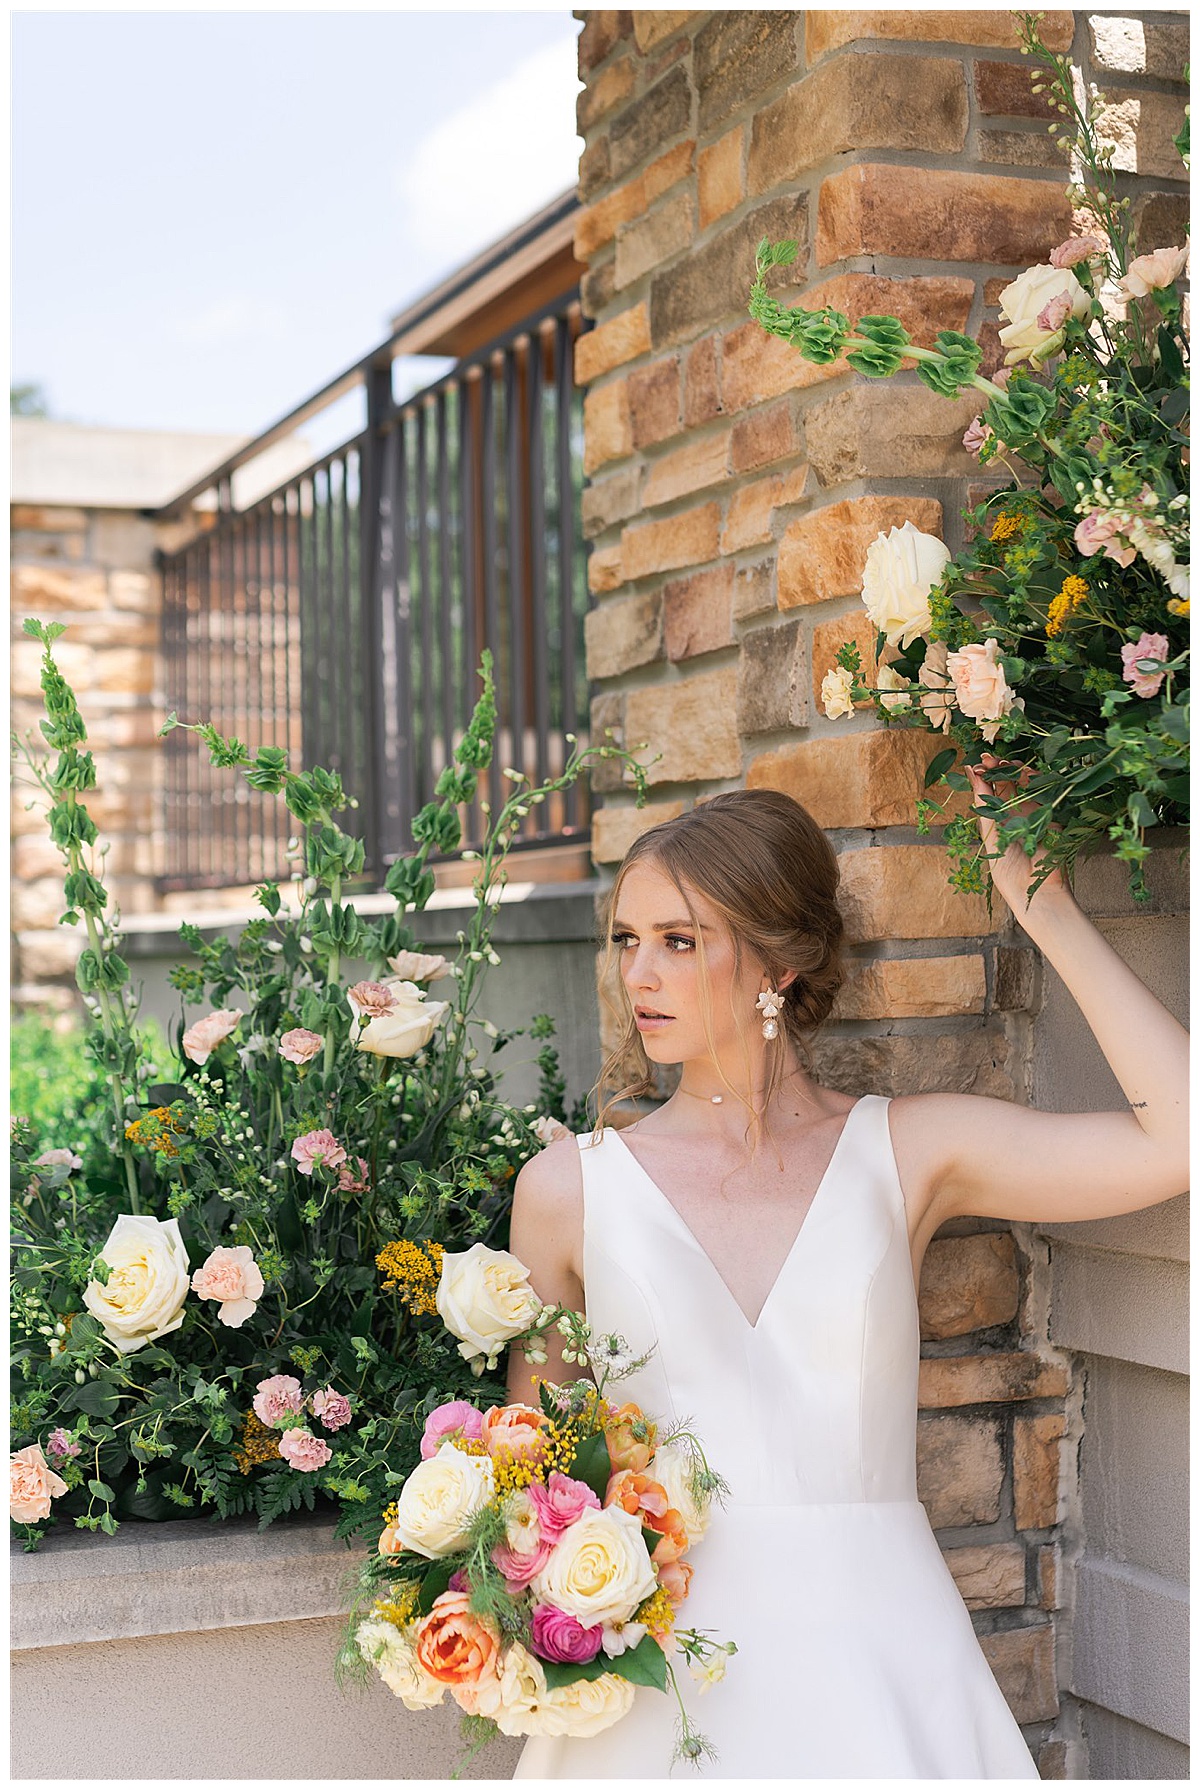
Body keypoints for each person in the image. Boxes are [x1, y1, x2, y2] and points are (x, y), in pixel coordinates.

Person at [505, 773, 1188, 1779]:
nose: (639, 973)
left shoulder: (905, 1152)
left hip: (884, 1668)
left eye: (680, 941)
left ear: (776, 963)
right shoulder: (567, 1190)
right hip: (665, 1703)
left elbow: (1179, 1136)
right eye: (625, 939)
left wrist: (1039, 898)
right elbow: (535, 1492)